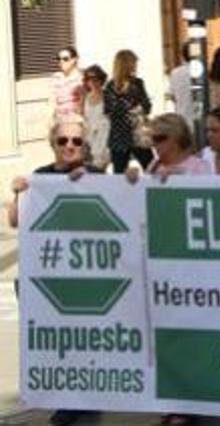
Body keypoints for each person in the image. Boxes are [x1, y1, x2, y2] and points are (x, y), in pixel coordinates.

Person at [7, 119, 102, 426]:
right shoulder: (41, 177)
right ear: (53, 144)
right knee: (58, 341)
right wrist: (17, 193)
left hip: (88, 275)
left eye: (76, 141)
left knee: (84, 339)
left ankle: (88, 398)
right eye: (63, 141)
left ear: (84, 144)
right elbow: (17, 221)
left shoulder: (98, 176)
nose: (70, 146)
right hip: (50, 276)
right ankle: (66, 400)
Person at [103, 49, 153, 173]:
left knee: (151, 169)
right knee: (119, 174)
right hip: (119, 136)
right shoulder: (110, 86)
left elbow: (147, 106)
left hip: (137, 134)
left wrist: (137, 107)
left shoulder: (138, 83)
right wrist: (132, 107)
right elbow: (109, 110)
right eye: (134, 62)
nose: (135, 66)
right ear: (126, 64)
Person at [145, 114, 213, 176]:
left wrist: (181, 177)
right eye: (152, 138)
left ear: (176, 138)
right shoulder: (154, 165)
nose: (153, 143)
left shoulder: (200, 166)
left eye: (158, 138)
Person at [81, 64, 111, 171]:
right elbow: (84, 118)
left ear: (101, 79)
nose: (92, 81)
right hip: (90, 138)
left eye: (95, 78)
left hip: (104, 136)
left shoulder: (107, 96)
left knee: (100, 167)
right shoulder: (85, 97)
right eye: (88, 78)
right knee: (91, 170)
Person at [49, 46, 84, 124]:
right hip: (59, 122)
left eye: (65, 59)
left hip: (76, 122)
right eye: (59, 59)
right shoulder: (56, 77)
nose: (61, 61)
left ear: (74, 59)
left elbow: (85, 103)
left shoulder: (82, 78)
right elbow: (52, 102)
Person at [165, 44, 194, 127]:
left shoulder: (175, 73)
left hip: (181, 117)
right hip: (199, 119)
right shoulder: (202, 72)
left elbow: (172, 96)